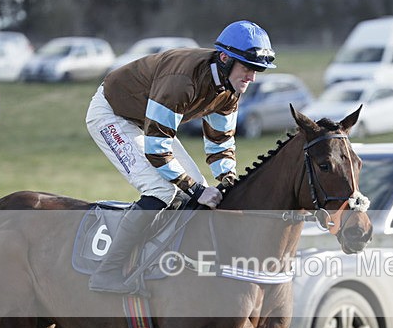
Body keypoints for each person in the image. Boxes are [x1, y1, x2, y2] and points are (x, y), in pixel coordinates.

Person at [85, 20, 276, 293]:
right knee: (162, 190)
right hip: (113, 114)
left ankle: (165, 259)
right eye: (248, 67)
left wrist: (228, 180)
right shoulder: (181, 81)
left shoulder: (229, 89)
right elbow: (156, 150)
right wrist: (197, 188)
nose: (253, 77)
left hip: (149, 122)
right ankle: (108, 272)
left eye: (257, 69)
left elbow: (220, 143)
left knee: (194, 197)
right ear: (225, 58)